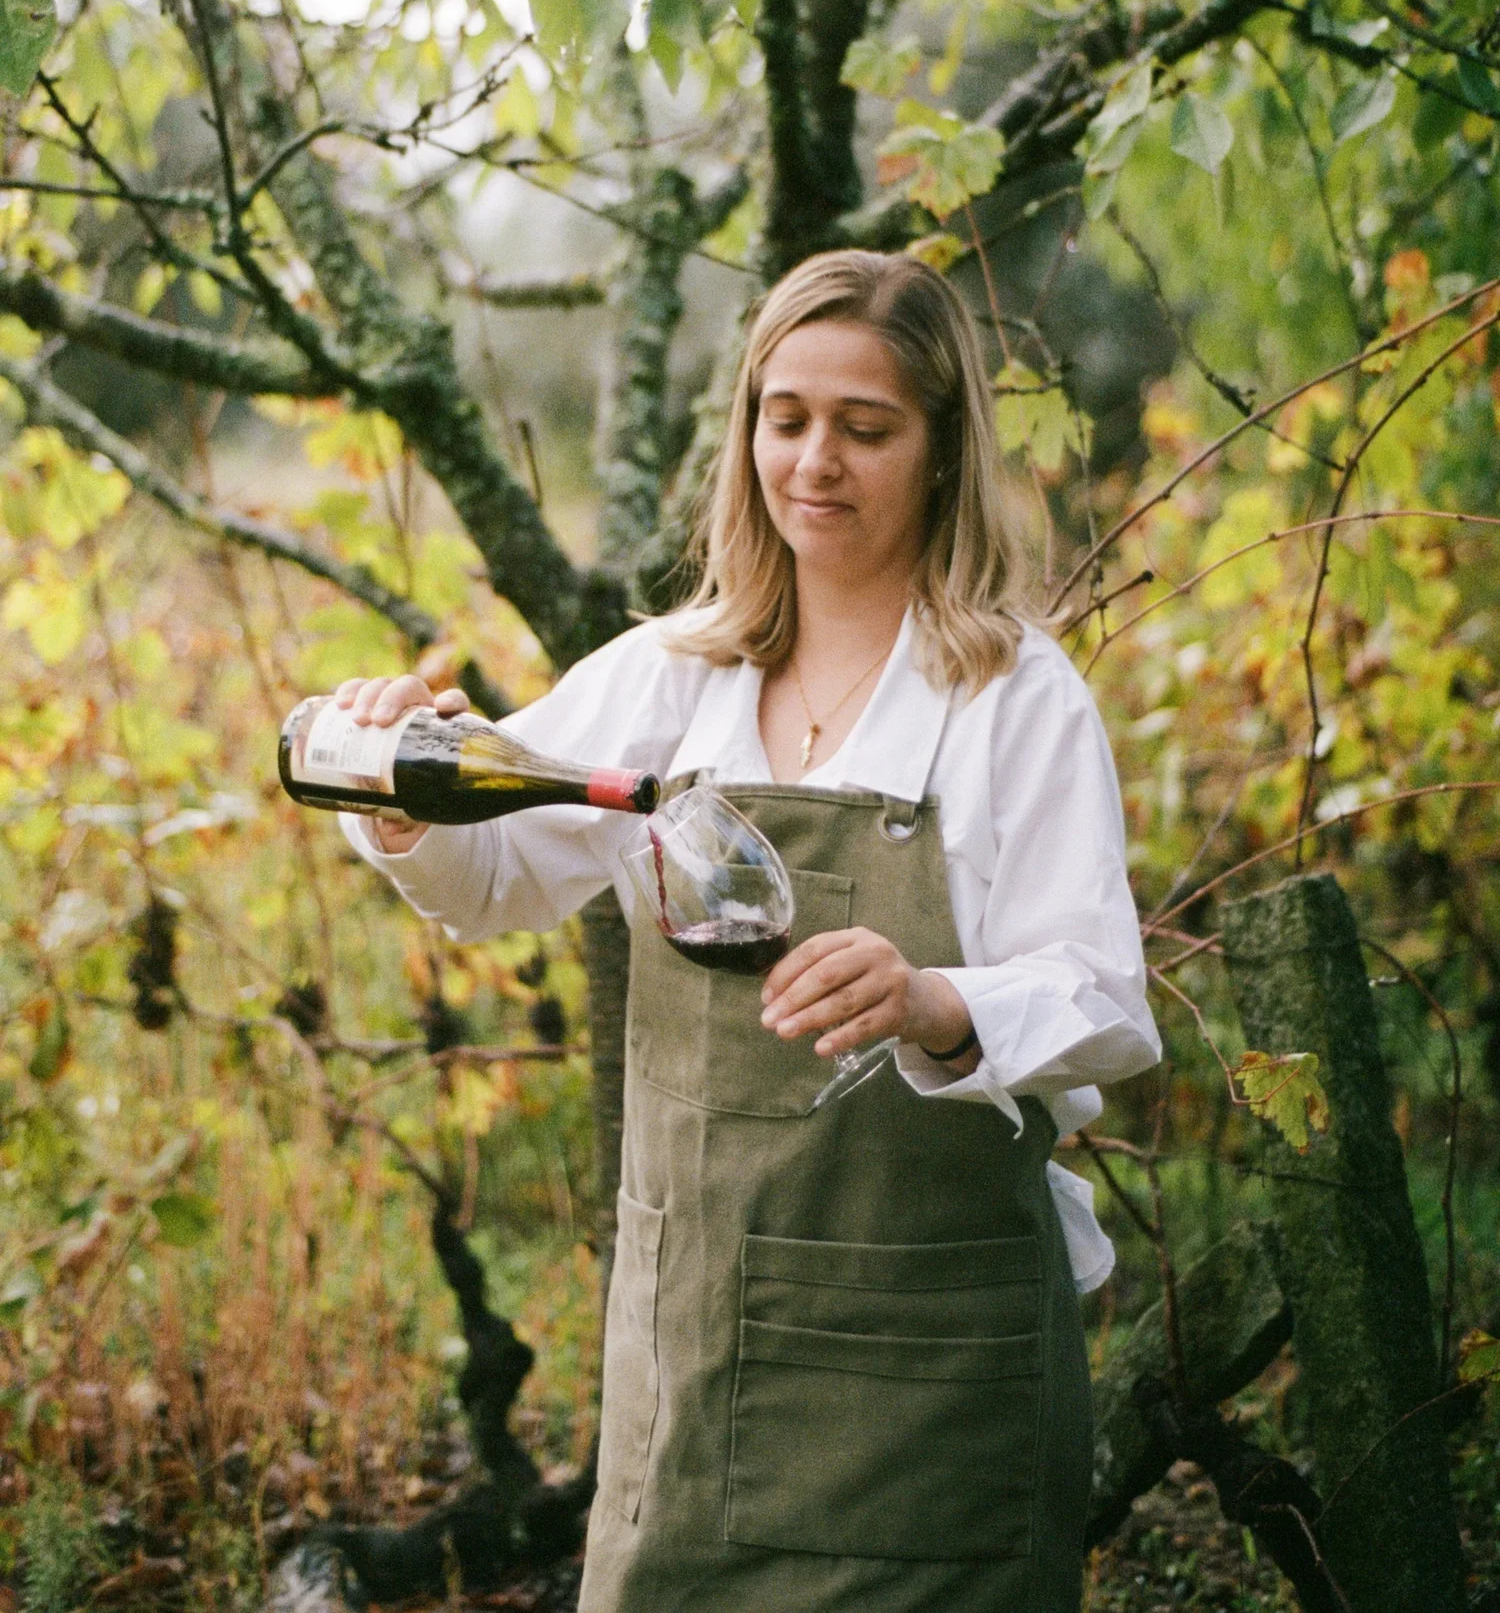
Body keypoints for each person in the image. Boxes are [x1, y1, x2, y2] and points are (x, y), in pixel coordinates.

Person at [334, 249, 1160, 1613]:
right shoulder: (677, 676)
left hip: (934, 1370)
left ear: (945, 449)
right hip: (700, 1348)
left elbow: (1104, 994)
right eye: (787, 417)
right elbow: (502, 877)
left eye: (866, 425)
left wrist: (934, 997)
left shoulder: (1013, 693)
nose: (816, 459)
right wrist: (400, 797)